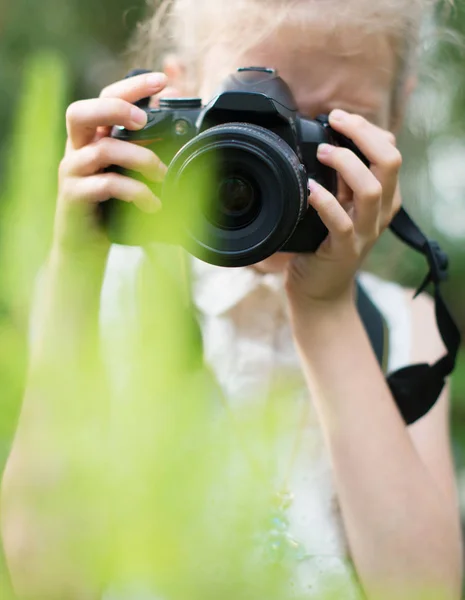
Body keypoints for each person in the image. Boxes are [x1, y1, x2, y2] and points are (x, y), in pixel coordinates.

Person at [1, 0, 463, 599]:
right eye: (251, 113)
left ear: (396, 117)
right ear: (176, 101)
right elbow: (48, 580)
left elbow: (423, 590)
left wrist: (326, 310)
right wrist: (77, 268)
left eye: (333, 123)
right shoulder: (104, 299)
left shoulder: (408, 325)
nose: (283, 158)